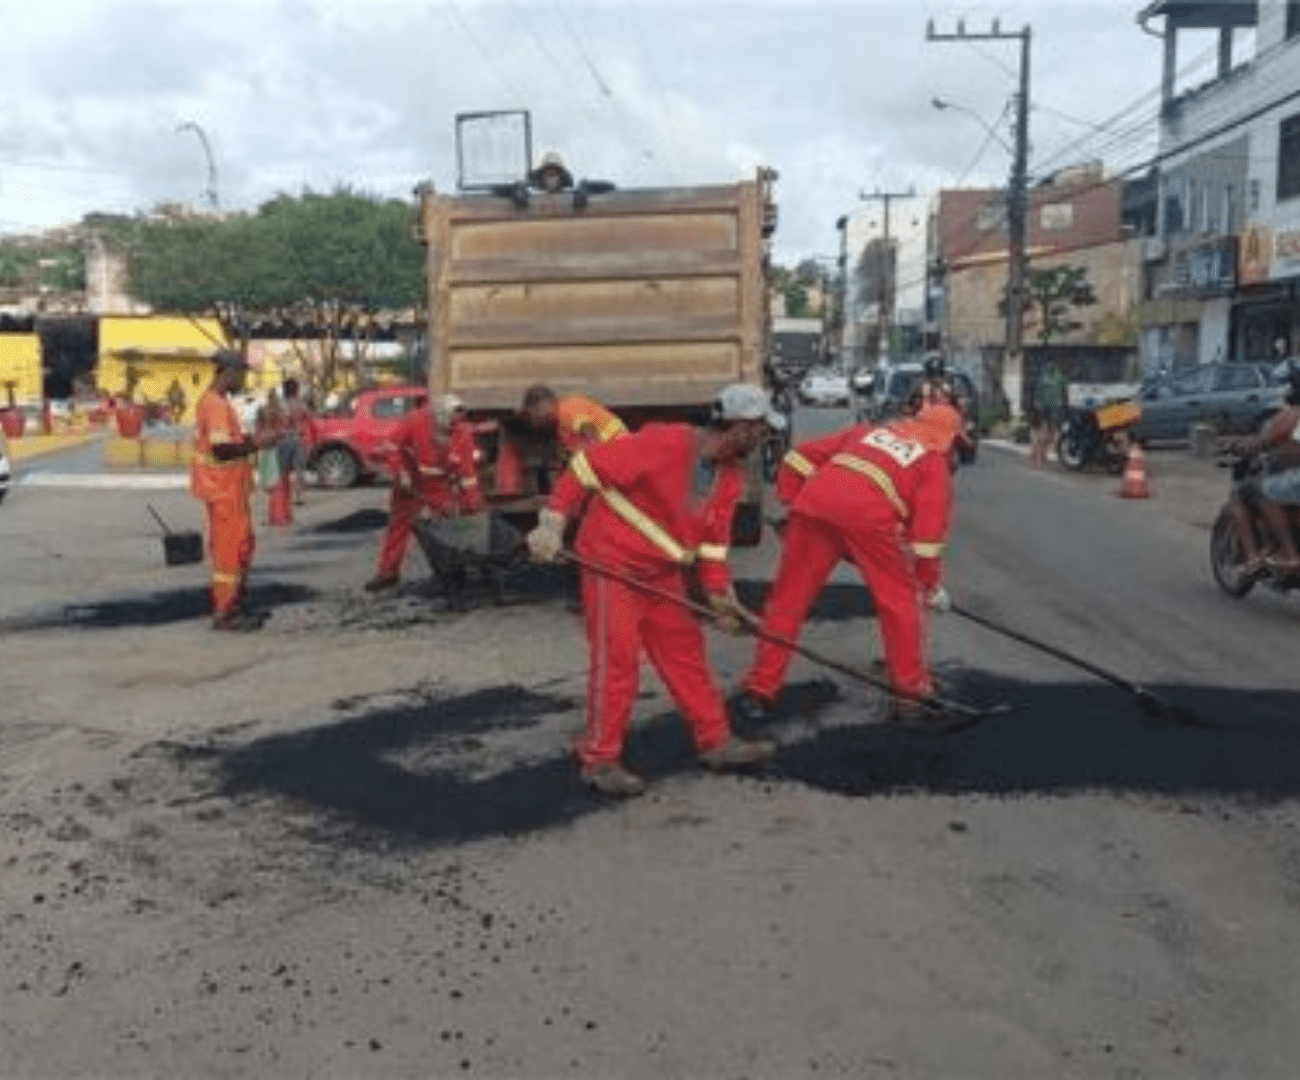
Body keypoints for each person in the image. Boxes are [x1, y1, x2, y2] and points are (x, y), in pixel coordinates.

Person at [526, 383, 786, 798]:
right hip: (612, 562)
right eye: (760, 428)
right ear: (737, 426)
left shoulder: (730, 477)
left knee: (686, 653)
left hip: (661, 571)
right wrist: (552, 523)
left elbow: (713, 547)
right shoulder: (665, 442)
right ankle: (598, 758)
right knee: (619, 661)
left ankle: (715, 741)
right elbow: (586, 469)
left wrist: (722, 600)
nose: (764, 436)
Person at [732, 403, 964, 728]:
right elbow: (926, 544)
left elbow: (797, 458)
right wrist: (926, 587)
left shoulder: (866, 433)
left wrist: (792, 503)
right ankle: (910, 695)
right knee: (901, 605)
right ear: (948, 440)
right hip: (869, 518)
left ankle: (759, 691)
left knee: (786, 603)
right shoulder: (933, 465)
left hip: (815, 504)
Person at [191, 350, 283, 632]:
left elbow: (227, 442)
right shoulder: (216, 405)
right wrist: (257, 444)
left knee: (242, 546)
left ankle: (236, 604)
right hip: (224, 492)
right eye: (241, 374)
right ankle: (225, 612)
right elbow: (221, 450)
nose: (243, 379)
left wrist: (254, 440)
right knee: (229, 554)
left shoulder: (216, 402)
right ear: (228, 372)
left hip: (231, 490)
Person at [365, 394, 484, 592]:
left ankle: (455, 568)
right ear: (437, 418)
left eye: (455, 425)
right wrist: (400, 472)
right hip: (409, 478)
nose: (451, 431)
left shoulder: (463, 433)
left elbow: (468, 476)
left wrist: (472, 506)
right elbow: (391, 446)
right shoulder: (415, 420)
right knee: (400, 524)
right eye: (448, 427)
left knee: (448, 522)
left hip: (437, 484)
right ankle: (388, 573)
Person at [1231, 368, 1300, 577]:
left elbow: (1261, 443)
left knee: (1250, 490)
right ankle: (1274, 545)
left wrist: (1240, 447)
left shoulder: (1291, 415)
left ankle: (1285, 553)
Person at [520, 384, 627, 460]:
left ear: (544, 405)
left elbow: (588, 431)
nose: (533, 419)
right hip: (612, 448)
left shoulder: (566, 409)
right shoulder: (560, 424)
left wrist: (598, 462)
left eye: (532, 414)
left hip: (615, 446)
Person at [256, 389, 293, 527]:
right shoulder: (283, 412)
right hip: (281, 448)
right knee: (282, 483)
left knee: (269, 484)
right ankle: (284, 515)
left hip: (267, 448)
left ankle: (272, 517)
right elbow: (286, 429)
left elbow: (258, 430)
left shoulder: (263, 410)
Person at [280, 377, 316, 505]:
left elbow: (285, 421)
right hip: (300, 439)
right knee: (299, 469)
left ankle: (284, 496)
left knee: (284, 469)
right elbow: (310, 417)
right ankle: (298, 496)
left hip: (286, 438)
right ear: (296, 390)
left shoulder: (284, 404)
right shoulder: (301, 403)